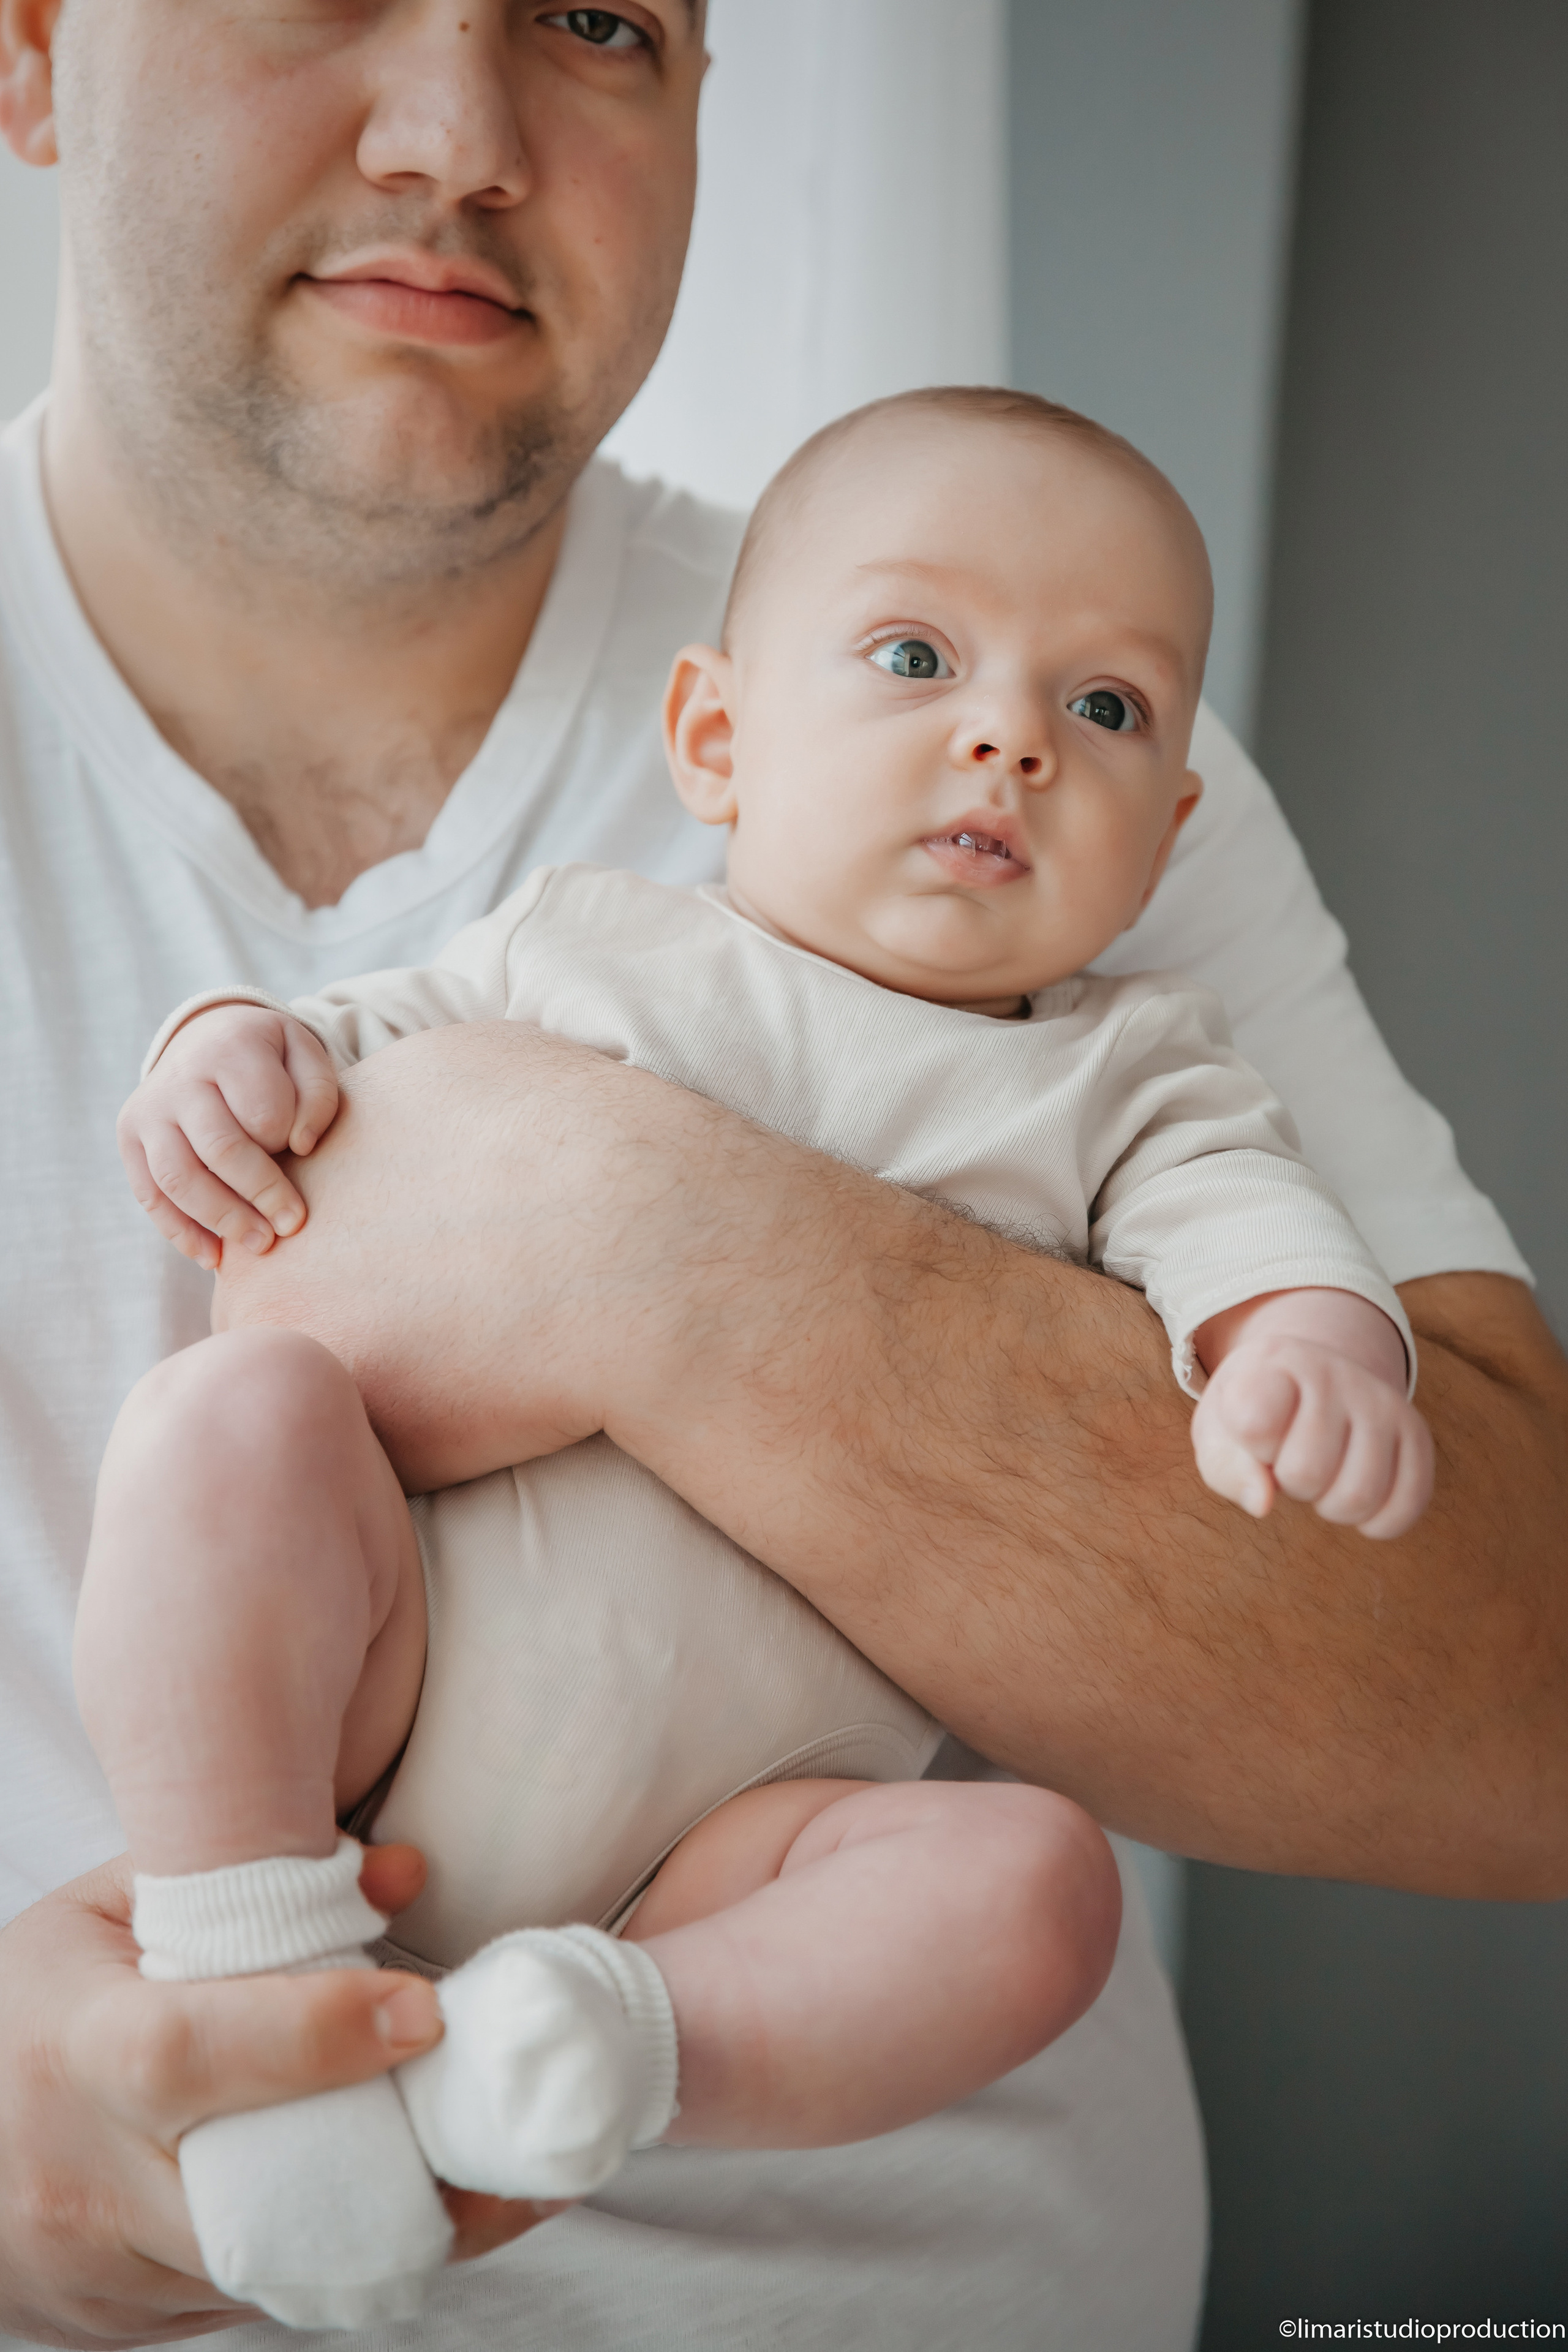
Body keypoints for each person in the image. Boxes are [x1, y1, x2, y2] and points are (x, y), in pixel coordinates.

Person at [0, 6, 1562, 2351]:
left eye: (601, 16)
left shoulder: (1069, 845)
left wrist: (647, 1249)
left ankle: (610, 2056)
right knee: (224, 1441)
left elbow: (1500, 1678)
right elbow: (351, 1058)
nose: (460, 137)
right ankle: (256, 1971)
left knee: (1022, 1890)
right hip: (365, 1748)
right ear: (36, 46)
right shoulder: (665, 892)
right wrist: (242, 1059)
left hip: (794, 1926)